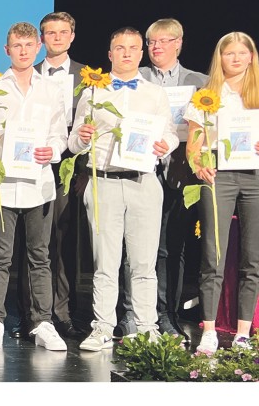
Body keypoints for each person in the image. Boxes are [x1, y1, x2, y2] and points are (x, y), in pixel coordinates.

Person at [69, 27, 177, 352]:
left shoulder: (155, 93)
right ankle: (102, 327)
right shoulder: (91, 92)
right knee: (105, 263)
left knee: (144, 264)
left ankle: (146, 328)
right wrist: (83, 138)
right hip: (103, 183)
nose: (127, 53)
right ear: (110, 53)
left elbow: (171, 133)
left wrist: (165, 144)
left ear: (141, 53)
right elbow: (73, 143)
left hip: (144, 182)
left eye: (133, 47)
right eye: (120, 47)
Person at [0, 23, 68, 351]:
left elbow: (59, 134)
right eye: (17, 45)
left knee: (40, 257)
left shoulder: (52, 89)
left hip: (39, 184)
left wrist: (52, 151)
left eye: (29, 45)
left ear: (39, 47)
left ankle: (43, 322)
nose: (24, 50)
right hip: (1, 184)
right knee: (0, 256)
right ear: (7, 50)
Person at [185, 31, 259, 353]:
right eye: (230, 53)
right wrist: (199, 164)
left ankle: (243, 333)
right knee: (213, 256)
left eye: (243, 53)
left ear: (251, 57)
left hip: (255, 178)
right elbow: (192, 145)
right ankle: (210, 330)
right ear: (220, 58)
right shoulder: (206, 95)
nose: (237, 58)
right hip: (219, 178)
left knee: (252, 259)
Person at [138, 18, 207, 337]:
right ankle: (135, 314)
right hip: (140, 171)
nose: (157, 47)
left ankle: (167, 314)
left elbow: (209, 131)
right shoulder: (134, 79)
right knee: (137, 248)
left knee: (172, 248)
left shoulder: (201, 83)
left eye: (164, 41)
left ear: (179, 43)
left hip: (181, 173)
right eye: (151, 42)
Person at [30, 11, 87, 340]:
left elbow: (93, 125)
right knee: (34, 242)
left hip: (69, 166)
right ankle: (32, 315)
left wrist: (83, 171)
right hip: (33, 162)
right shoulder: (28, 73)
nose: (57, 37)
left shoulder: (87, 76)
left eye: (62, 32)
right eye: (50, 33)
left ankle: (62, 313)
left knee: (64, 241)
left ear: (72, 36)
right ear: (42, 39)